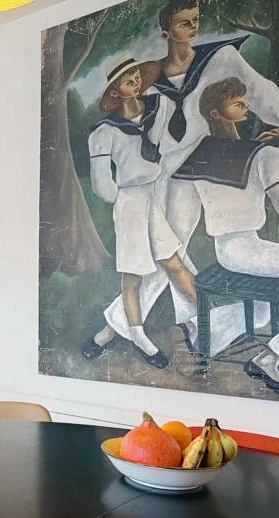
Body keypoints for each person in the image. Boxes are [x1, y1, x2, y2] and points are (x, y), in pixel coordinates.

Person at [84, 0, 279, 371]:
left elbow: (260, 91)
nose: (193, 28)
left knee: (169, 255)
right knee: (164, 255)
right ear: (167, 31)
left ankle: (144, 327)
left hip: (208, 161)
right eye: (184, 23)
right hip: (167, 173)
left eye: (196, 20)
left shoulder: (221, 59)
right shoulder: (149, 80)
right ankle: (120, 327)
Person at [172, 77, 279, 398]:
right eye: (236, 102)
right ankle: (270, 359)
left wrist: (262, 148)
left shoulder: (199, 154)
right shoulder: (267, 157)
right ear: (216, 113)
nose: (245, 105)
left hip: (226, 252)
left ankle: (203, 328)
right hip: (251, 251)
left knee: (274, 303)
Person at [85, 55, 196, 367]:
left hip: (155, 194)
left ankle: (205, 320)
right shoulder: (104, 132)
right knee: (133, 273)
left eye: (135, 74)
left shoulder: (158, 109)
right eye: (126, 80)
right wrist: (124, 199)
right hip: (130, 202)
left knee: (173, 262)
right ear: (115, 91)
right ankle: (138, 335)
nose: (134, 80)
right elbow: (101, 184)